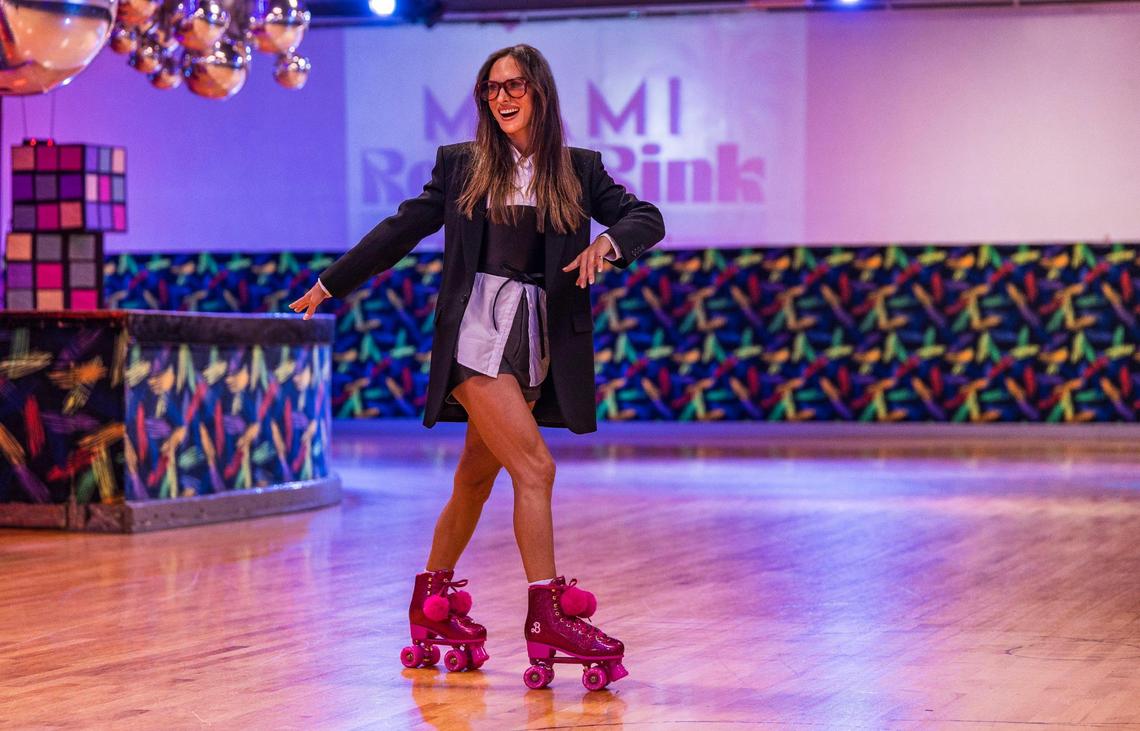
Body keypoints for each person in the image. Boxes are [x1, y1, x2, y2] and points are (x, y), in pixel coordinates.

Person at [289, 44, 664, 691]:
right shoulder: (463, 166)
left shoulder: (577, 170)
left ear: (539, 92)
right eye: (492, 88)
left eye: (515, 84)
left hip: (534, 339)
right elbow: (398, 231)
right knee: (535, 468)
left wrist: (609, 241)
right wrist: (330, 283)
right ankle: (546, 612)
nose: (503, 96)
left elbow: (645, 218)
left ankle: (429, 606)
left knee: (472, 480)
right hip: (475, 335)